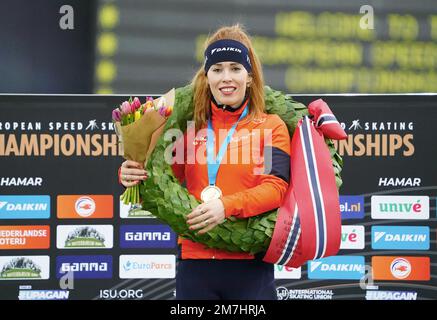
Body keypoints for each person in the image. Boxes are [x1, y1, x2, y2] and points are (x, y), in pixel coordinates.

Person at [119, 24, 291, 300]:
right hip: (195, 263)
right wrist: (131, 173)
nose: (226, 78)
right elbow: (158, 180)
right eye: (218, 69)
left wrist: (226, 206)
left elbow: (275, 188)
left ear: (249, 77)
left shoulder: (270, 127)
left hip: (251, 265)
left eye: (235, 68)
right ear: (207, 76)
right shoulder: (187, 130)